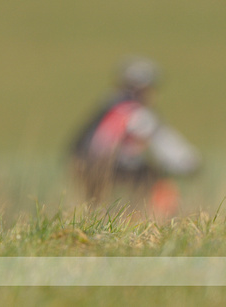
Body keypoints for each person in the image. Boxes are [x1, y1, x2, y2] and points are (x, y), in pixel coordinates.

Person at [70, 56, 200, 215]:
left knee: (97, 207)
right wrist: (188, 162)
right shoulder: (136, 112)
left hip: (83, 165)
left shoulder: (108, 105)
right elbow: (163, 142)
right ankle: (161, 221)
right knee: (155, 181)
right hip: (109, 166)